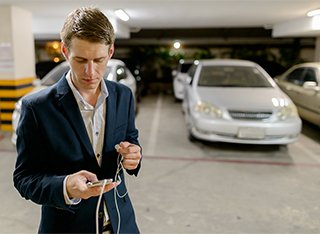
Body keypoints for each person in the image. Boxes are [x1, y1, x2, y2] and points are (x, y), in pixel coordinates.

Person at [13, 7, 142, 234]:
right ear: (65, 51)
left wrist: (133, 155)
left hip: (122, 223)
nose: (90, 71)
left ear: (110, 52)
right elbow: (25, 178)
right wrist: (65, 187)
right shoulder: (37, 108)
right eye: (81, 59)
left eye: (99, 60)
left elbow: (131, 138)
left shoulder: (123, 95)